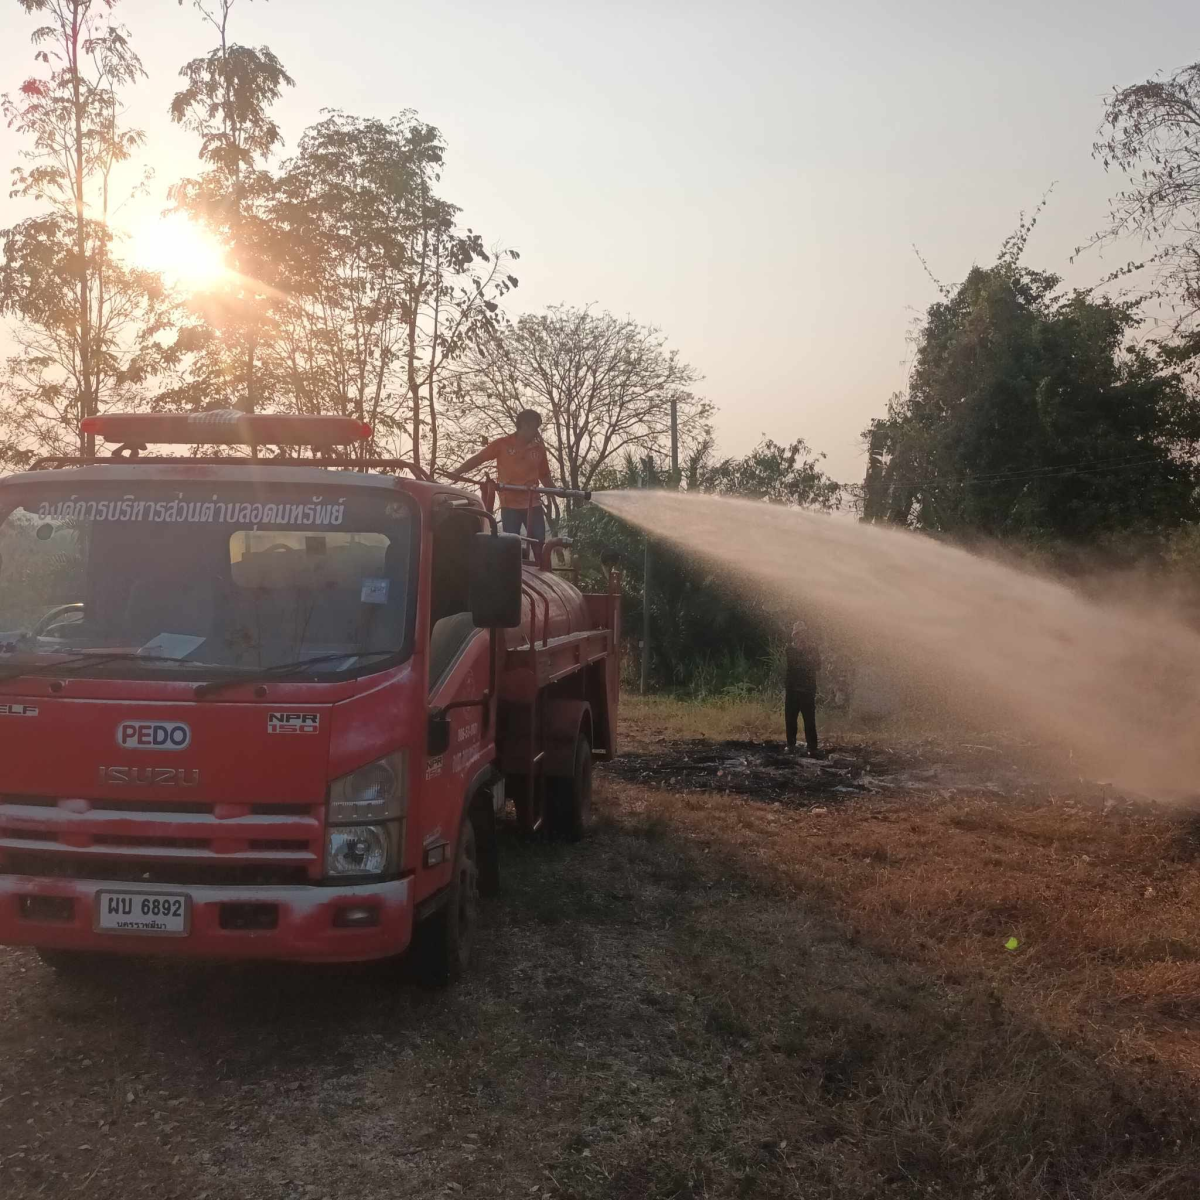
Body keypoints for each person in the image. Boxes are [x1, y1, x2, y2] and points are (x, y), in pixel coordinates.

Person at [455, 410, 555, 556]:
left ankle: (543, 573)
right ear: (524, 425)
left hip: (533, 504)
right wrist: (458, 472)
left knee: (539, 543)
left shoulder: (539, 450)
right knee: (510, 545)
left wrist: (559, 492)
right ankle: (511, 575)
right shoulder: (502, 444)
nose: (536, 432)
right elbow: (479, 458)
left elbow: (545, 476)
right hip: (509, 505)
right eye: (535, 427)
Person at [785, 619, 823, 757]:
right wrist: (806, 657)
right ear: (794, 636)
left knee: (809, 721)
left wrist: (806, 655)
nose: (801, 636)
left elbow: (818, 666)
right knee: (790, 720)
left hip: (807, 691)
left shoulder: (813, 649)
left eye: (803, 633)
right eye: (798, 634)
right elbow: (794, 666)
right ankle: (791, 745)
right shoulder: (790, 649)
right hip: (793, 690)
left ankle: (812, 748)